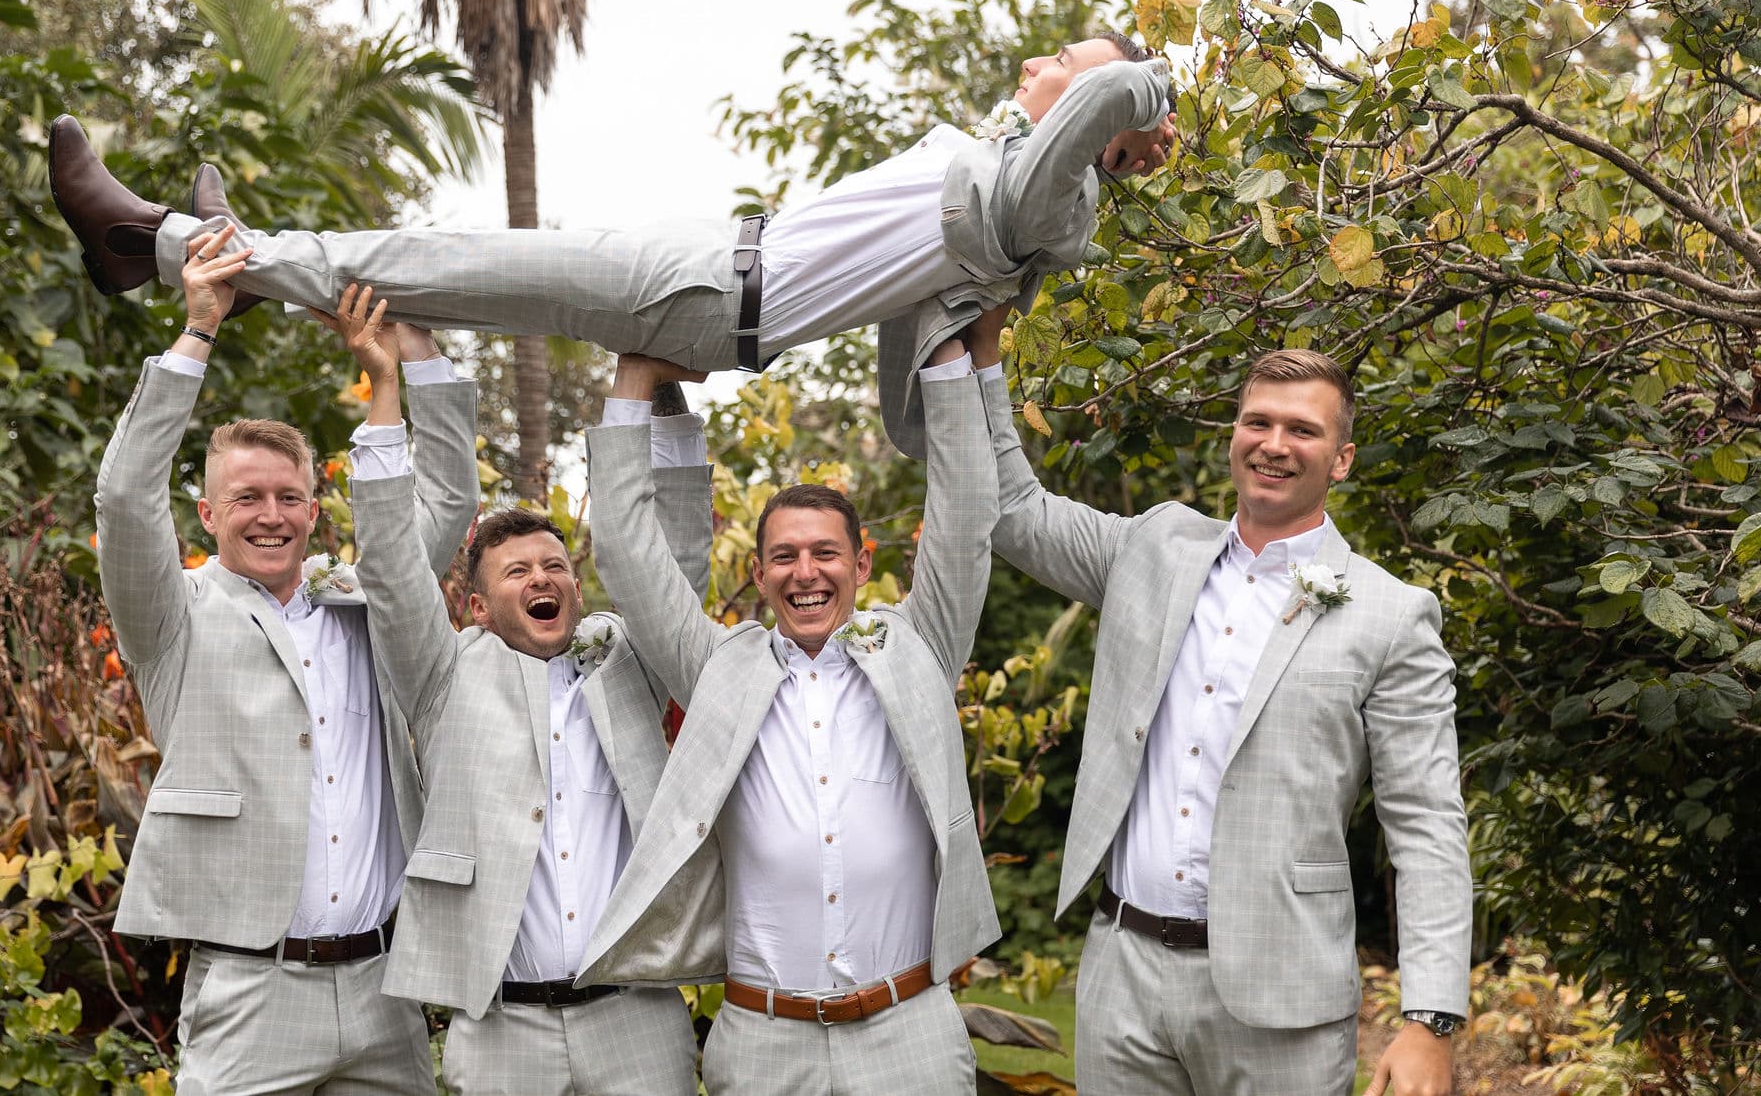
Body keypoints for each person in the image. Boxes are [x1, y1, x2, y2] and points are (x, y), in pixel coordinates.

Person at [46, 37, 1176, 456]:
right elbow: (903, 417)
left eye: (1061, 61)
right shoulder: (1003, 199)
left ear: (1093, 114)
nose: (1036, 63)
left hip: (708, 293)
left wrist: (1148, 97)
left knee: (441, 261)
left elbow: (1114, 86)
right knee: (442, 262)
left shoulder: (1041, 204)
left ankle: (150, 241)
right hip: (709, 268)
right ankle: (249, 266)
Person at [967, 314, 1472, 1096]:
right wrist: (984, 356)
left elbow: (1428, 824)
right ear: (1234, 433)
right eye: (1257, 420)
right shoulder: (1153, 546)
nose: (1273, 442)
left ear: (1340, 459)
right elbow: (1010, 508)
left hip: (1284, 1000)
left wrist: (1431, 1018)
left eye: (1301, 429)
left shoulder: (1391, 614)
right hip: (1122, 974)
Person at [96, 227, 477, 1095]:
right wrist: (198, 329)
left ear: (314, 507)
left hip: (387, 990)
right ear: (205, 513)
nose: (270, 515)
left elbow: (451, 497)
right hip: (250, 990)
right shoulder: (173, 616)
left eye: (289, 496)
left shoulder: (368, 597)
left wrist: (408, 353)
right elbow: (122, 496)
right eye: (247, 497)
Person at [570, 341, 999, 1095]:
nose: (807, 572)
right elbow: (630, 553)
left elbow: (963, 518)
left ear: (861, 565)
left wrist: (948, 352)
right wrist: (635, 382)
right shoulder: (717, 668)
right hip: (764, 1042)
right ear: (760, 573)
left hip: (910, 1032)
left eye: (826, 553)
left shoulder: (918, 646)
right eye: (786, 556)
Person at [334, 283, 718, 1095]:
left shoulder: (626, 662)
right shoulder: (442, 673)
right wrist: (397, 379)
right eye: (518, 571)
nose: (544, 578)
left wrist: (669, 409)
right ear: (475, 606)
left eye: (556, 567)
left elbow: (676, 566)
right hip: (500, 1026)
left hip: (638, 1020)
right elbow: (394, 572)